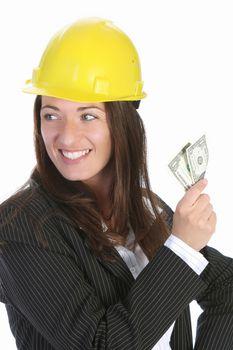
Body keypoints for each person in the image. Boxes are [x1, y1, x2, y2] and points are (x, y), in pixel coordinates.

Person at [0, 17, 232, 350]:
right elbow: (101, 344)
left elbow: (227, 286)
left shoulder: (146, 208)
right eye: (51, 114)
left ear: (123, 122)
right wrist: (181, 250)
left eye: (87, 115)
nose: (66, 136)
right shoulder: (20, 228)